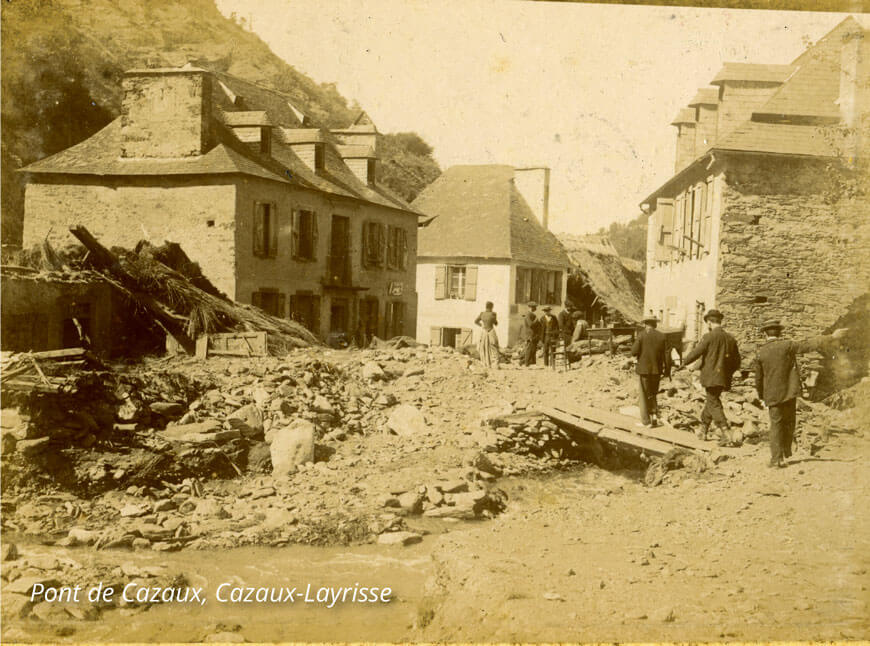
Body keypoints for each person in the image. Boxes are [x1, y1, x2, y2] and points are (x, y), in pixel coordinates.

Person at [680, 308, 741, 443]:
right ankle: (704, 430)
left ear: (709, 322)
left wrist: (684, 363)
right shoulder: (730, 338)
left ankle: (726, 433)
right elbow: (737, 362)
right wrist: (727, 373)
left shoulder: (708, 337)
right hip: (723, 378)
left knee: (713, 403)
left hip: (710, 377)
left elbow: (697, 352)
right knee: (711, 401)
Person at [754, 320, 801, 468]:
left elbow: (758, 378)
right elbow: (809, 345)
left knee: (776, 424)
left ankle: (776, 459)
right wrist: (832, 337)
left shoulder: (761, 352)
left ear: (765, 334)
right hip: (789, 392)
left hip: (772, 394)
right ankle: (785, 452)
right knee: (789, 422)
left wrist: (761, 395)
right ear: (780, 333)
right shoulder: (787, 345)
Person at [631, 315, 670, 427]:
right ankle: (654, 417)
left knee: (644, 395)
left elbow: (634, 352)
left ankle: (646, 421)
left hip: (644, 370)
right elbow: (667, 355)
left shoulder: (641, 335)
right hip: (657, 370)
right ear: (655, 324)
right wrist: (667, 371)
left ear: (645, 324)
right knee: (653, 394)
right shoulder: (662, 336)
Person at [474, 302, 500, 369]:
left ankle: (485, 364)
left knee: (484, 348)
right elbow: (496, 323)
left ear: (486, 307)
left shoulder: (482, 314)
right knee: (494, 347)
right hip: (491, 331)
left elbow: (475, 321)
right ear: (491, 307)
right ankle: (494, 365)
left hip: (484, 332)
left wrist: (481, 325)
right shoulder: (493, 314)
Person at [521, 302, 539, 366]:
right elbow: (530, 324)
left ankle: (530, 362)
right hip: (530, 335)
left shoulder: (532, 314)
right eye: (534, 307)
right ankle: (526, 363)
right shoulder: (528, 314)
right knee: (529, 349)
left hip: (533, 335)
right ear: (530, 307)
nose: (535, 308)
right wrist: (536, 321)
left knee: (533, 349)